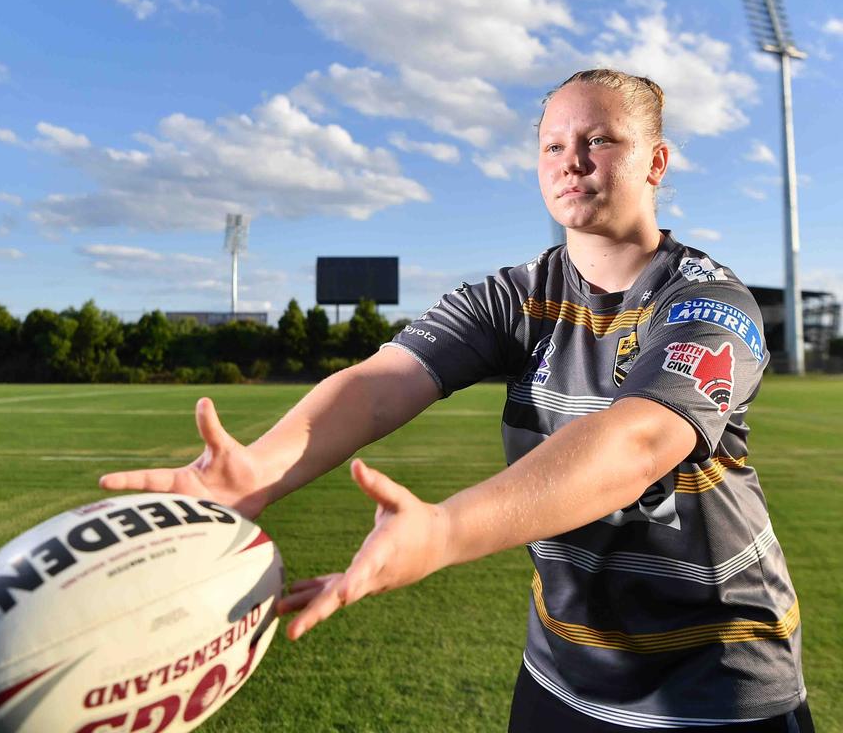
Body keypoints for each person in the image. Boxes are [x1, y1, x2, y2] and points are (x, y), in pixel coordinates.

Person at [100, 69, 814, 732]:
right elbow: (384, 382)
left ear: (656, 162)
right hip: (561, 673)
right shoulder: (514, 295)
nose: (572, 161)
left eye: (599, 141)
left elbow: (636, 445)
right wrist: (262, 467)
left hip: (716, 684)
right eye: (553, 145)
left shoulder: (708, 299)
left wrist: (443, 532)